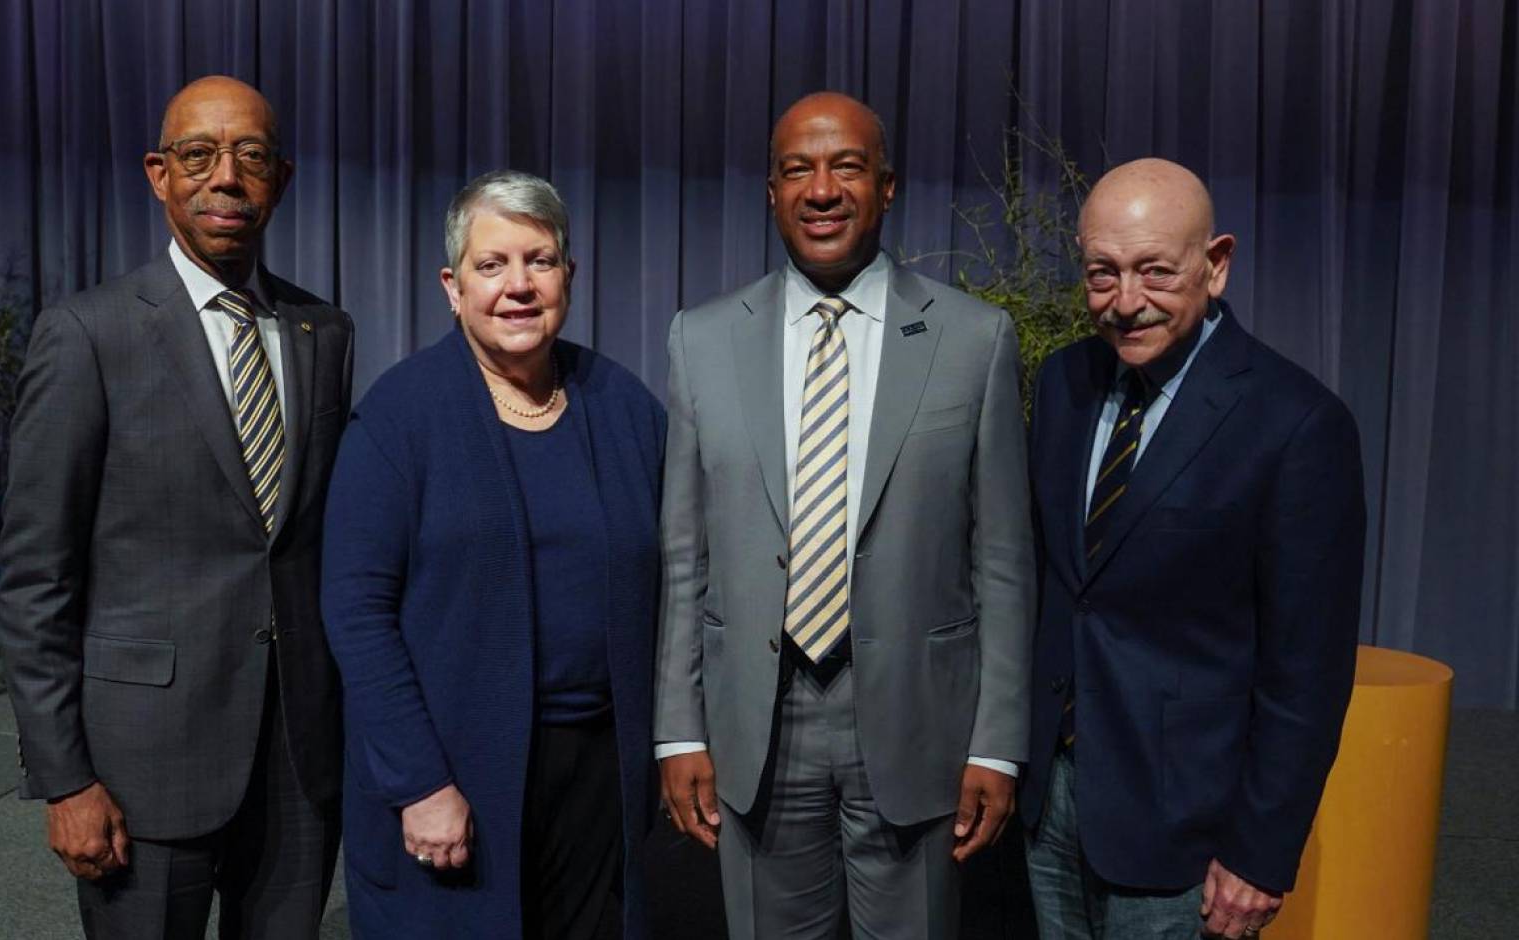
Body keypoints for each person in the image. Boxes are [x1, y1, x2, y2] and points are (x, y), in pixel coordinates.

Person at [654, 91, 1035, 937]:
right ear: (772, 192)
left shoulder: (975, 340)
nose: (821, 190)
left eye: (847, 167)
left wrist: (995, 743)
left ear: (887, 187)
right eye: (798, 170)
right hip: (758, 726)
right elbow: (685, 556)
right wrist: (678, 732)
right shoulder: (700, 341)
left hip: (921, 729)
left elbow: (1003, 561)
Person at [0, 76, 353, 937]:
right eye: (198, 155)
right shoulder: (87, 334)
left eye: (251, 156)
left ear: (282, 179)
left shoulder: (325, 331)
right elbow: (36, 578)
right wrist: (65, 779)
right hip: (140, 767)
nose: (225, 177)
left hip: (299, 757)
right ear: (159, 174)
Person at [1019, 157, 1366, 939]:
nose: (1126, 301)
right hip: (1054, 805)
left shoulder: (1297, 423)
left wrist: (1261, 852)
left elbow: (1307, 671)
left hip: (1189, 831)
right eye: (1102, 273)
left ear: (1216, 265)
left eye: (1155, 271)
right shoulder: (1063, 383)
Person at [321, 169, 664, 939]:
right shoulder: (400, 417)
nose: (519, 286)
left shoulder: (624, 406)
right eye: (492, 264)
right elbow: (356, 613)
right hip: (455, 772)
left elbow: (679, 580)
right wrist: (418, 782)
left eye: (539, 261)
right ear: (453, 288)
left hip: (599, 778)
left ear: (568, 276)